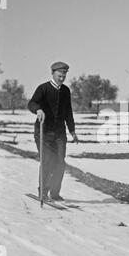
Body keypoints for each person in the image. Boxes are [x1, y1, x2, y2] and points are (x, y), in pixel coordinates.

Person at [28, 61, 79, 202]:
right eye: (59, 75)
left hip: (60, 134)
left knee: (60, 162)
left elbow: (68, 112)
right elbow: (31, 103)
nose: (61, 78)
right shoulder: (43, 88)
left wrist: (72, 131)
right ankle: (42, 193)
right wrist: (38, 109)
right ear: (53, 73)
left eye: (64, 76)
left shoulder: (66, 91)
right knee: (47, 161)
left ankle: (54, 193)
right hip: (43, 132)